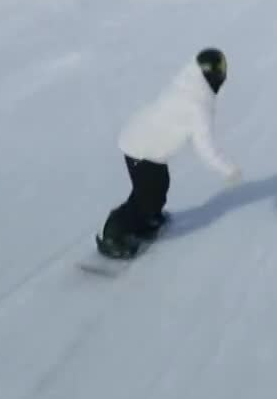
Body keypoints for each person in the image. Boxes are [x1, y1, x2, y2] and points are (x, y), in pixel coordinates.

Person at [98, 47, 241, 258]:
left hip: (147, 144)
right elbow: (205, 147)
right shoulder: (198, 106)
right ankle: (113, 233)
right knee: (146, 198)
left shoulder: (186, 84)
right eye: (221, 72)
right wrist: (228, 170)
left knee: (158, 187)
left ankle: (146, 219)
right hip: (141, 148)